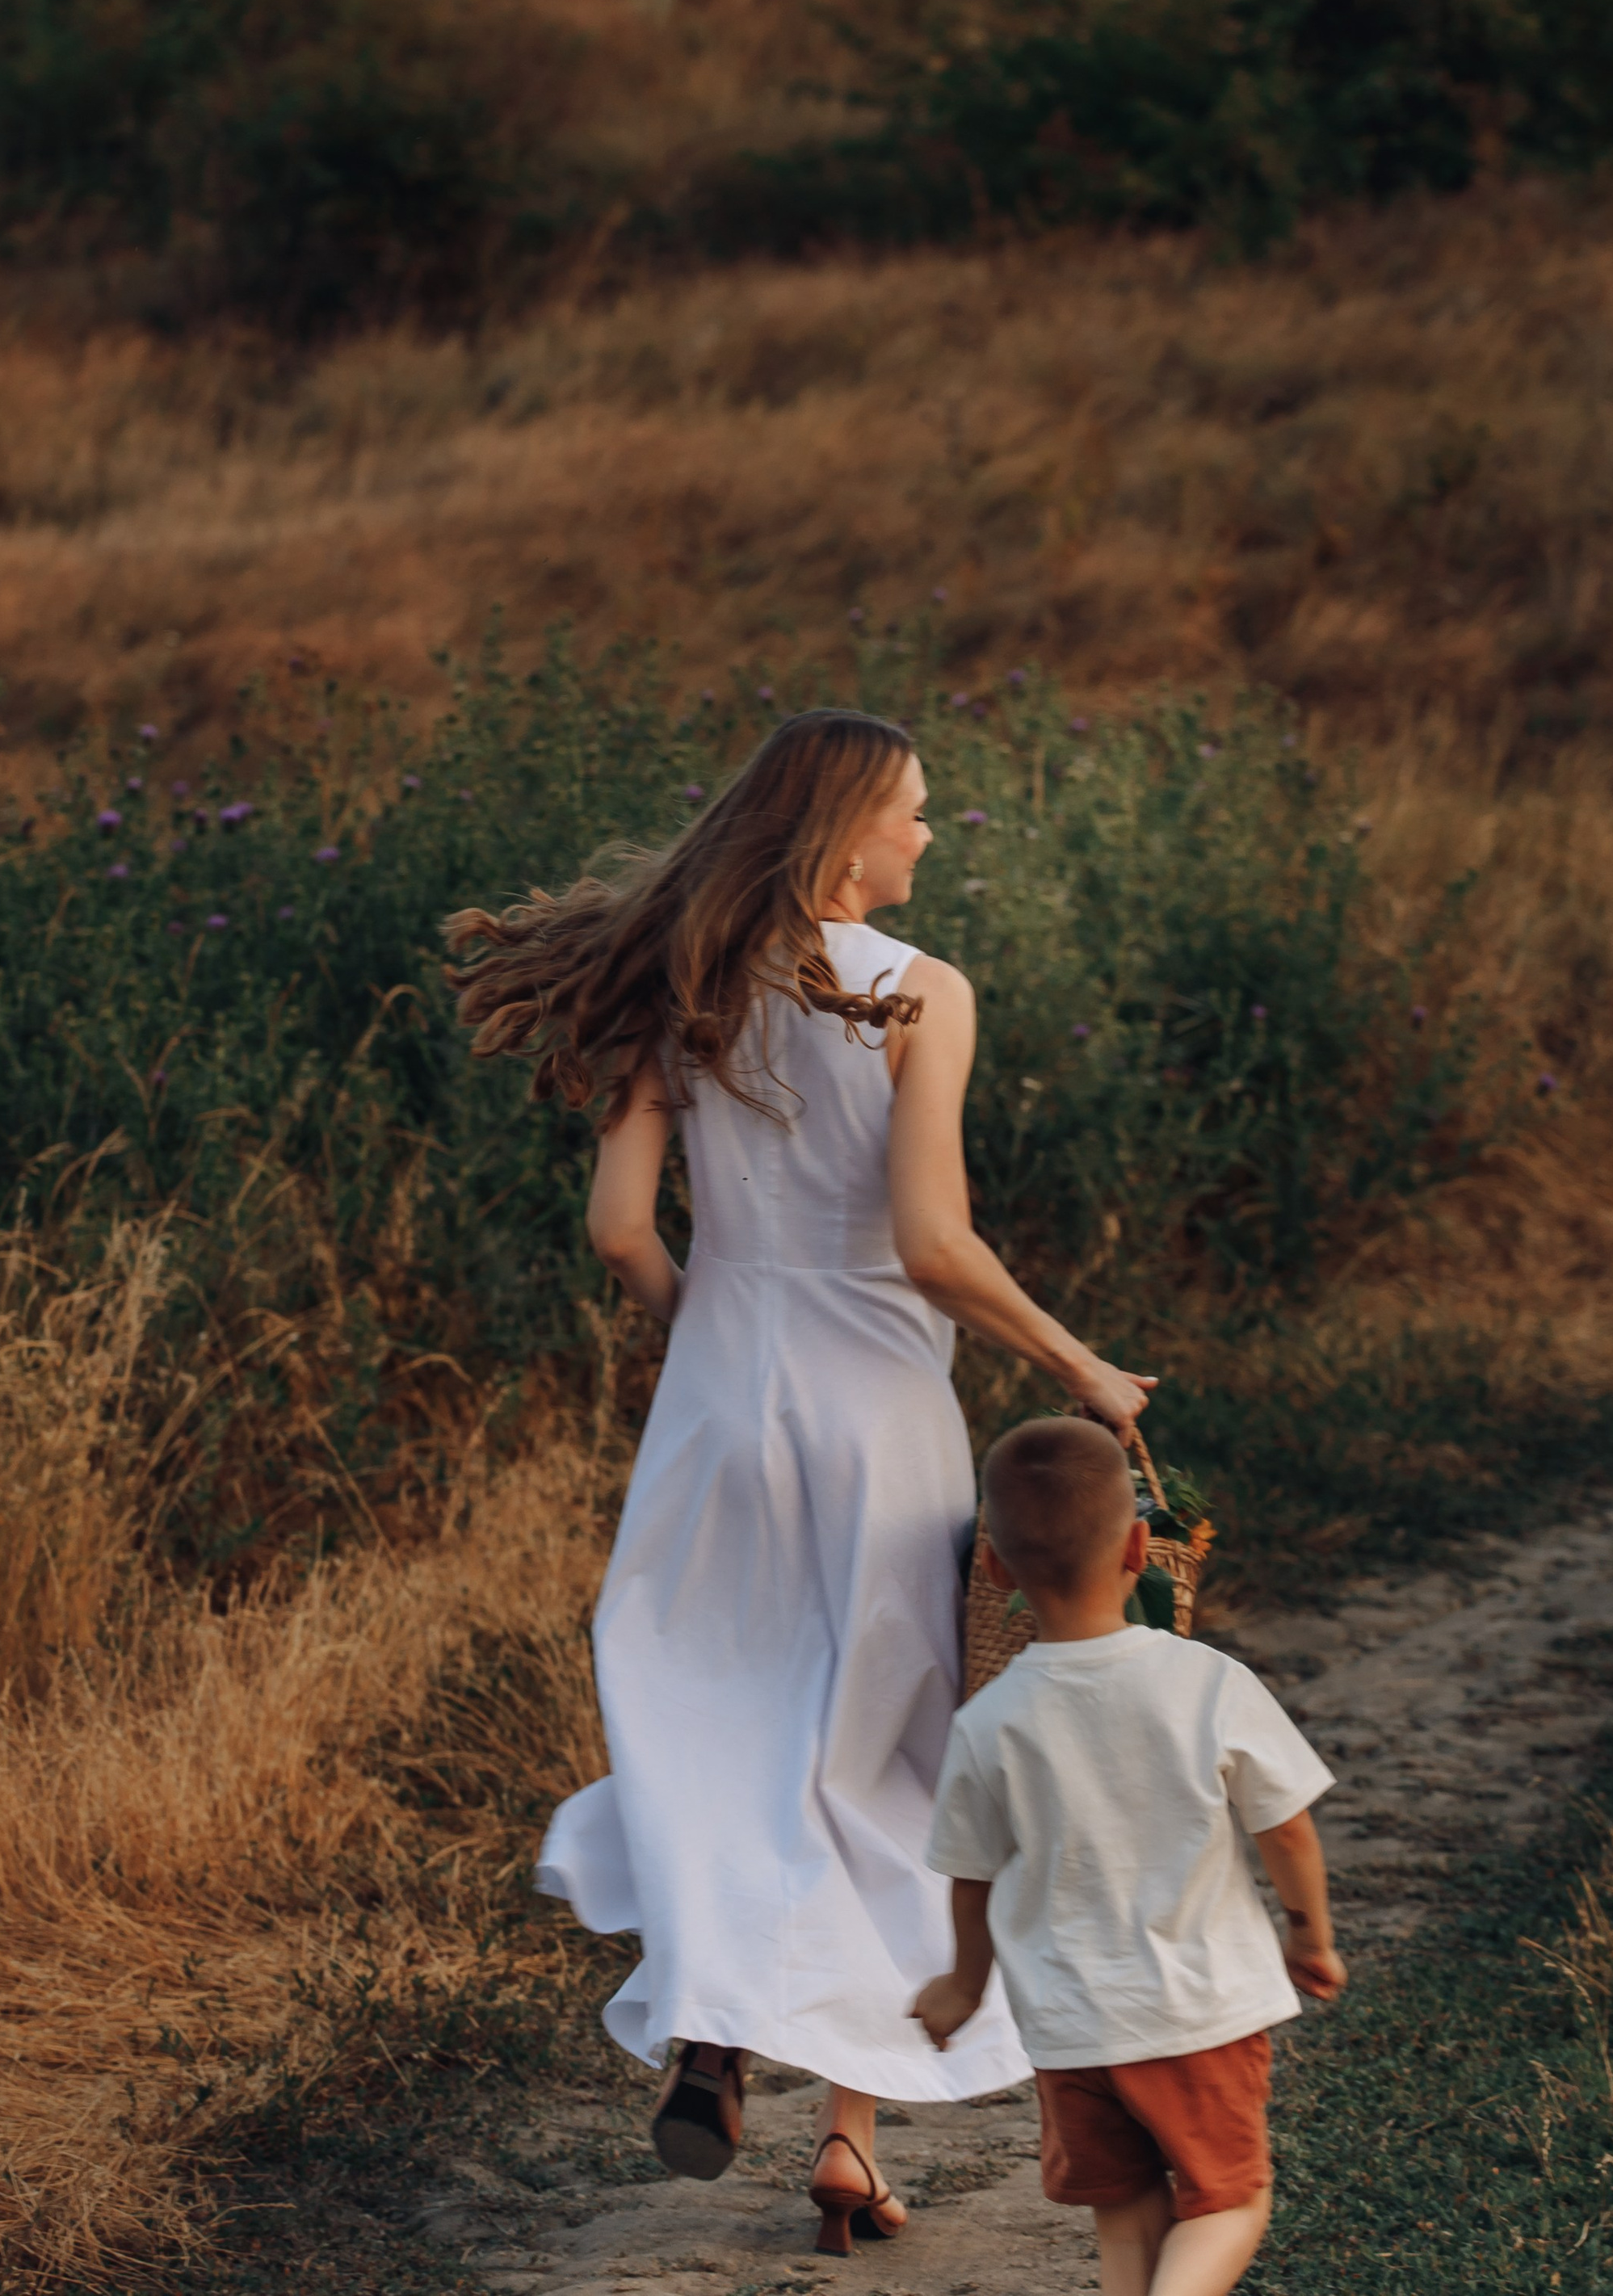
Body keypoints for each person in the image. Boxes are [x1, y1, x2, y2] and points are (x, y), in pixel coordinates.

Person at [448, 709, 1154, 2256]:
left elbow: (622, 1230)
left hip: (719, 1401)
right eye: (913, 812)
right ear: (844, 833)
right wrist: (1079, 1367)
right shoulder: (919, 995)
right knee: (889, 1753)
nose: (926, 837)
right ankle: (846, 2139)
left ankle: (718, 2020)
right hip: (875, 1407)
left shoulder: (685, 990)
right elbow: (931, 1245)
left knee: (722, 1715)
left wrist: (715, 1337)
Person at [912, 1417, 1345, 2296]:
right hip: (1197, 2013)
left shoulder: (988, 1723)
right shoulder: (1205, 1682)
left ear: (991, 1567)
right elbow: (1286, 1828)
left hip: (1073, 2029)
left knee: (1128, 2217)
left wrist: (963, 1984)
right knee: (1229, 2202)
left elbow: (970, 1875)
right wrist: (1308, 1934)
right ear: (1142, 1547)